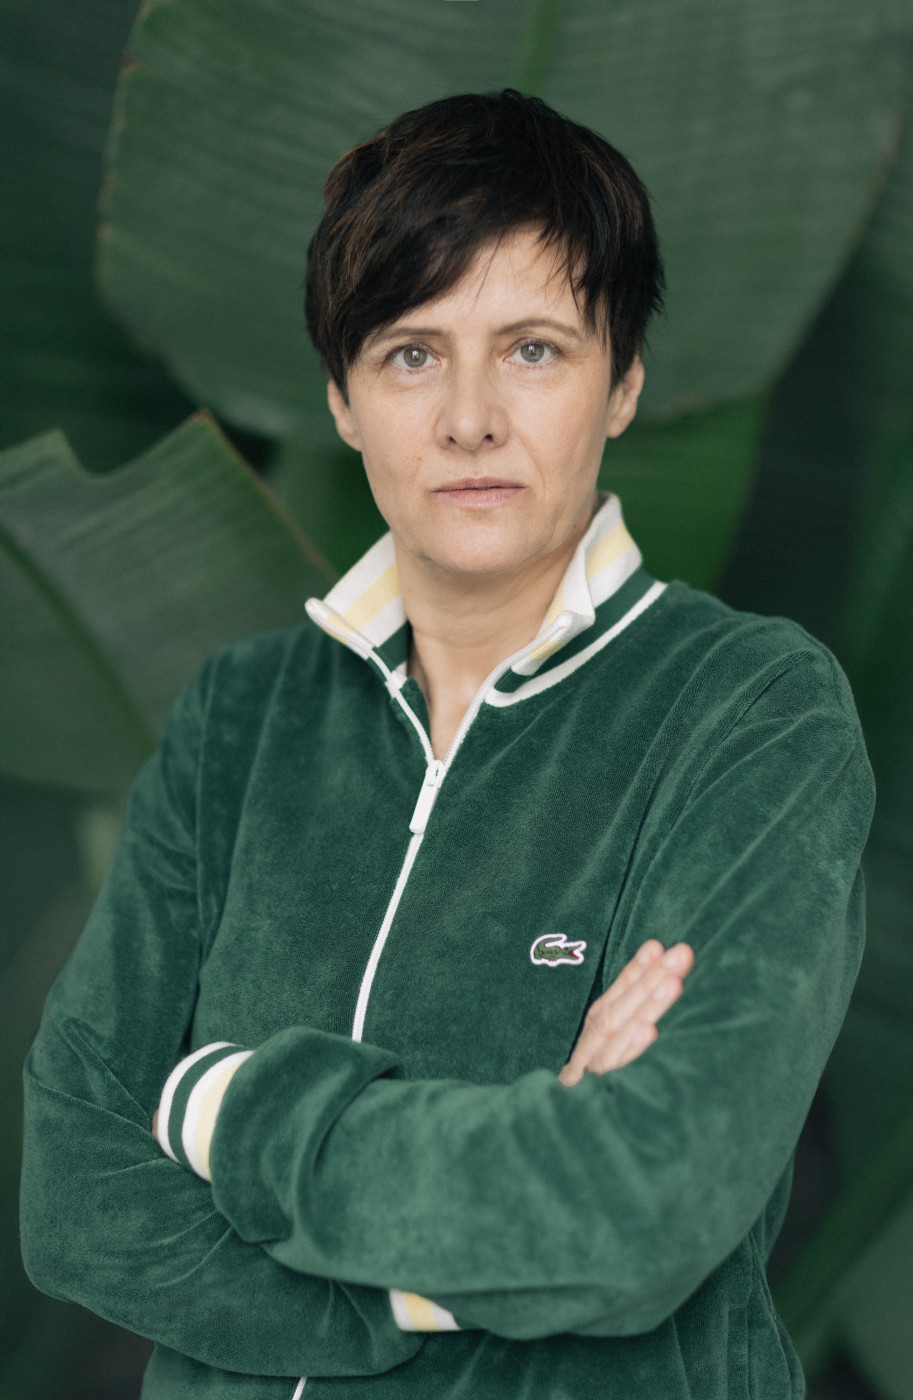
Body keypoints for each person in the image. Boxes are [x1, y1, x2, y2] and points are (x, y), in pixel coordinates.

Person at [21, 88, 874, 1400]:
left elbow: (642, 1205)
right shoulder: (239, 718)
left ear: (623, 381)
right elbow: (76, 1198)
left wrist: (218, 1107)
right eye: (412, 353)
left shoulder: (748, 709)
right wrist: (444, 1274)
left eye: (532, 349)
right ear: (343, 398)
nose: (470, 418)